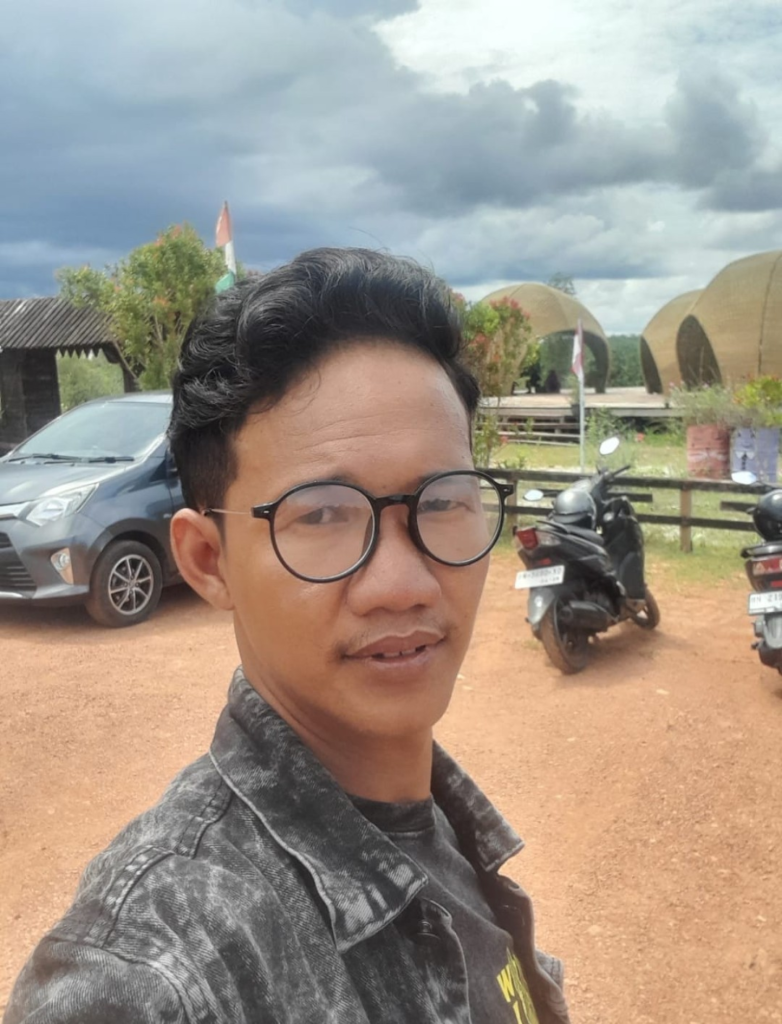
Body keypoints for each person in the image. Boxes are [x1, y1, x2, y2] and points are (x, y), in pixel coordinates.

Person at [5, 248, 570, 1024]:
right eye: (323, 514)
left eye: (443, 500)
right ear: (209, 561)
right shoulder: (153, 977)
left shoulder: (437, 821)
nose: (403, 584)